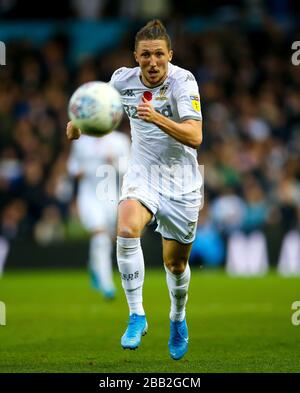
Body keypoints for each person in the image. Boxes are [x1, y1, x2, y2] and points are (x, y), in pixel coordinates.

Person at [66, 19, 203, 360]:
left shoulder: (183, 82)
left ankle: (177, 317)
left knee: (175, 265)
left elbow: (196, 136)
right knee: (125, 228)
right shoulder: (121, 80)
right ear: (135, 56)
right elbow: (102, 111)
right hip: (143, 174)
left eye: (159, 54)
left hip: (182, 182)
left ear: (170, 54)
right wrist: (77, 126)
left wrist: (157, 117)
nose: (153, 62)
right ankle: (136, 314)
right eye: (145, 55)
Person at [67, 131, 130, 299]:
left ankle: (95, 267)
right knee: (100, 235)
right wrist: (77, 172)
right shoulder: (81, 142)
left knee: (106, 239)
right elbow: (72, 165)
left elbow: (129, 168)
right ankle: (107, 284)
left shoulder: (119, 140)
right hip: (88, 196)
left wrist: (114, 162)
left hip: (111, 196)